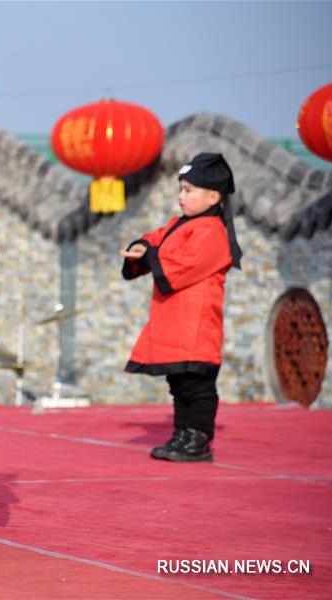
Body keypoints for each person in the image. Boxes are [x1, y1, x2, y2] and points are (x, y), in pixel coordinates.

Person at [121, 153, 243, 462]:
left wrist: (151, 256)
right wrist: (143, 246)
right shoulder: (181, 224)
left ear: (214, 196)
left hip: (196, 326)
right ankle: (182, 433)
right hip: (175, 325)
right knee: (178, 383)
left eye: (189, 190)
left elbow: (184, 263)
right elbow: (157, 239)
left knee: (198, 386)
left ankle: (198, 438)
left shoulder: (213, 232)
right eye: (181, 189)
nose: (181, 196)